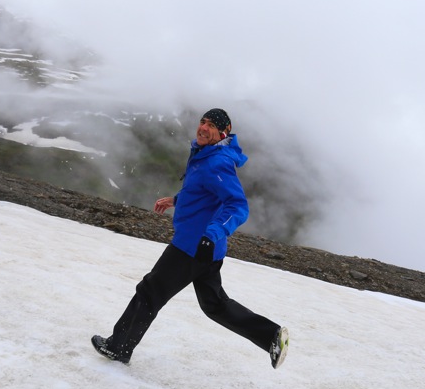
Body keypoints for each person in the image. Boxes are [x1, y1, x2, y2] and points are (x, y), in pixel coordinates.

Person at [92, 108, 289, 369]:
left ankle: (119, 347)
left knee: (149, 292)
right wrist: (176, 200)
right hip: (208, 250)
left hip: (192, 246)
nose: (203, 128)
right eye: (202, 122)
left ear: (224, 132)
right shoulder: (205, 154)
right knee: (215, 305)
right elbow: (204, 192)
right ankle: (271, 336)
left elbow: (237, 206)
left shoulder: (217, 162)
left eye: (211, 125)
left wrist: (212, 234)